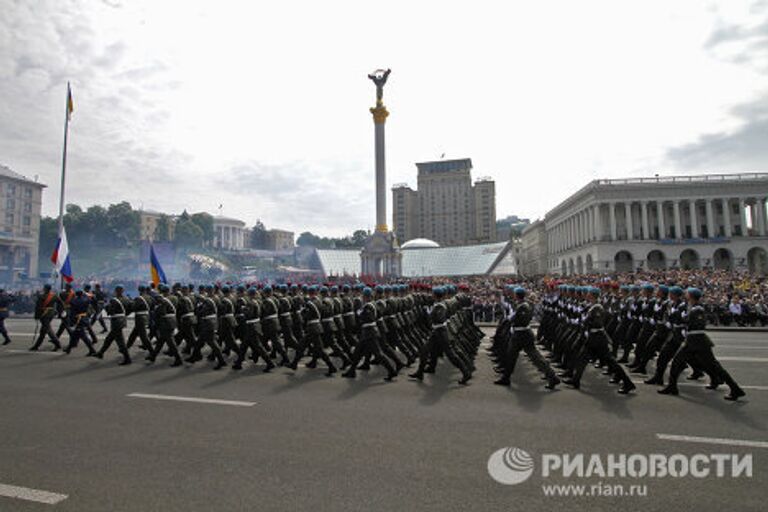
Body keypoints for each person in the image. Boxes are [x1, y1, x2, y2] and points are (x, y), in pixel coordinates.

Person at [658, 288, 746, 401]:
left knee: (714, 366)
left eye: (687, 294)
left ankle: (735, 389)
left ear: (691, 296)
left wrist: (684, 320)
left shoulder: (697, 309)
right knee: (678, 362)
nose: (685, 295)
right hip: (692, 340)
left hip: (698, 341)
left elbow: (697, 323)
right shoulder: (690, 307)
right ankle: (672, 387)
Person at [562, 287, 636, 394]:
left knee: (611, 362)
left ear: (592, 295)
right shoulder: (591, 306)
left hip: (598, 339)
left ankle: (628, 383)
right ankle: (575, 380)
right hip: (591, 338)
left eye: (588, 293)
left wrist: (586, 322)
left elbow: (598, 323)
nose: (586, 295)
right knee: (582, 358)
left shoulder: (598, 308)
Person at [493, 287, 560, 390]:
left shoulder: (523, 306)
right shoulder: (525, 304)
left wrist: (509, 320)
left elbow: (514, 319)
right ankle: (506, 377)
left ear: (516, 295)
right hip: (521, 334)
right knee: (511, 356)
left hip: (521, 335)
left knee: (534, 357)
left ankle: (552, 376)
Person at [342, 286, 397, 381]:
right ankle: (351, 371)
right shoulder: (372, 304)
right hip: (367, 332)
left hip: (369, 332)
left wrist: (360, 314)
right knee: (357, 352)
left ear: (365, 296)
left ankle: (391, 370)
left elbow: (367, 318)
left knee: (378, 354)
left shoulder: (368, 306)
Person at [93, 284, 132, 365]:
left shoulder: (114, 300)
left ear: (116, 291)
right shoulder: (126, 299)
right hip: (122, 320)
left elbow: (110, 311)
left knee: (120, 341)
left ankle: (127, 358)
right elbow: (130, 309)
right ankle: (100, 353)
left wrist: (107, 308)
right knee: (109, 338)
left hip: (116, 321)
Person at [146, 283, 183, 367]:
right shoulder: (175, 298)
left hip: (166, 322)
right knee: (161, 341)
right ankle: (153, 356)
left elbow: (161, 311)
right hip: (173, 320)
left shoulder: (163, 300)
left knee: (170, 342)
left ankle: (178, 359)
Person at [62, 289, 97, 356]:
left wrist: (71, 322)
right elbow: (93, 299)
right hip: (84, 317)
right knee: (74, 335)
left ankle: (92, 350)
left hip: (78, 319)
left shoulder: (74, 301)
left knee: (83, 336)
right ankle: (68, 348)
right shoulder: (86, 299)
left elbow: (72, 312)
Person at [30, 284, 62, 351]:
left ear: (45, 289)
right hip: (51, 313)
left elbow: (38, 307)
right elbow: (61, 303)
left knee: (48, 330)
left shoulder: (42, 296)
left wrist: (36, 316)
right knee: (43, 331)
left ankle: (57, 343)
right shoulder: (54, 296)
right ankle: (36, 346)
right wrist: (57, 311)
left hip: (44, 314)